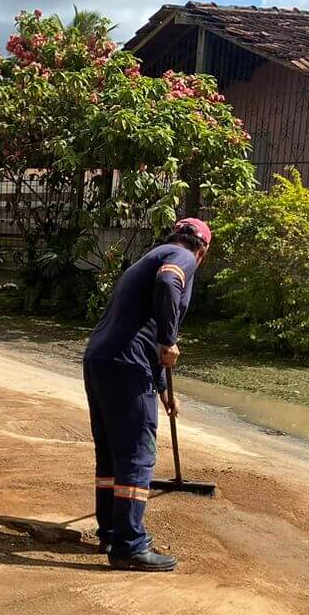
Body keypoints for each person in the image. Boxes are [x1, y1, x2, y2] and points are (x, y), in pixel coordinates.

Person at [82, 217, 212, 572]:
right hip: (126, 363)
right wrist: (169, 340)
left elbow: (143, 323)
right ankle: (129, 545)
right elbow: (170, 283)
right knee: (138, 454)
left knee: (111, 452)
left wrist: (164, 388)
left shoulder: (151, 255)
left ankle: (111, 530)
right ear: (203, 252)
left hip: (101, 358)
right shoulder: (181, 257)